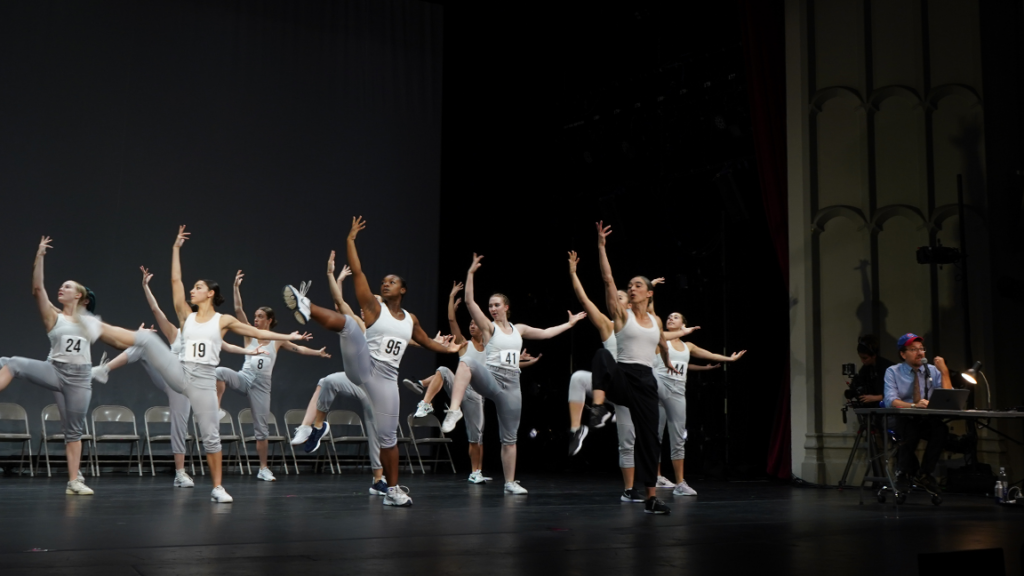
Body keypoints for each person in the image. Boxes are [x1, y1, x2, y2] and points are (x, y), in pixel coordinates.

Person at [80, 226, 311, 503]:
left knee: (210, 437)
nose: (192, 290)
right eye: (194, 287)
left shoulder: (222, 320)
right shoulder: (184, 317)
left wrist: (288, 335)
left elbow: (257, 333)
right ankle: (94, 327)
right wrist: (176, 248)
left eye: (198, 287)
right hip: (180, 372)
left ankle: (217, 487)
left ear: (211, 293)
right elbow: (175, 281)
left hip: (203, 380)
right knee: (146, 339)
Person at [283, 217, 463, 507]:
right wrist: (350, 240)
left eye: (392, 282)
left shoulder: (410, 320)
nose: (386, 284)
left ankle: (391, 490)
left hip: (385, 382)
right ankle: (307, 306)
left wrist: (449, 350)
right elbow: (358, 272)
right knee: (350, 327)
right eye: (384, 282)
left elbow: (427, 341)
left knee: (388, 438)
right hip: (364, 366)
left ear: (403, 290)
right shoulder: (372, 306)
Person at [92, 266, 266, 488]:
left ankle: (180, 472)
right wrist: (146, 287)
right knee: (143, 344)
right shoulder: (176, 332)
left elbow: (228, 346)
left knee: (180, 424)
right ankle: (104, 369)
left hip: (187, 383)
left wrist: (249, 351)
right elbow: (157, 311)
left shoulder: (207, 333)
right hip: (169, 376)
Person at [440, 253, 586, 495]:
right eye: (490, 306)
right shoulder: (488, 327)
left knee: (509, 437)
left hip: (512, 386)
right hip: (492, 379)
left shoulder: (519, 329)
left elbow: (547, 333)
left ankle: (510, 482)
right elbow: (469, 303)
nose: (493, 309)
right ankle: (454, 410)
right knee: (466, 363)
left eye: (497, 305)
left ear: (506, 307)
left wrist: (569, 324)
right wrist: (471, 273)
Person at [403, 281, 541, 484]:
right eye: (470, 324)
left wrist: (524, 361)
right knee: (443, 370)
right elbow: (451, 319)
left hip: (478, 394)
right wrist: (450, 299)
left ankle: (475, 471)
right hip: (461, 388)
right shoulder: (463, 344)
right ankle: (425, 401)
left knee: (476, 436)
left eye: (475, 323)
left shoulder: (491, 345)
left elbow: (509, 364)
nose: (473, 325)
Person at [586, 221, 678, 514]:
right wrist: (601, 247)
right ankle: (598, 408)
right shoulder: (621, 315)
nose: (632, 288)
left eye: (638, 285)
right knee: (602, 356)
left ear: (650, 293)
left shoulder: (656, 321)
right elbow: (607, 278)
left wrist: (668, 363)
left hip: (646, 381)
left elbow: (662, 344)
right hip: (622, 377)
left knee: (650, 439)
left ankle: (650, 498)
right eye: (631, 286)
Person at [0, 237, 97, 495]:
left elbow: (116, 336)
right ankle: (75, 478)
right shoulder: (53, 316)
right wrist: (39, 256)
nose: (60, 288)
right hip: (55, 370)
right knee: (14, 363)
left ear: (79, 295)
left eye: (67, 287)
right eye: (61, 286)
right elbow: (38, 289)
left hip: (80, 378)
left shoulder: (89, 323)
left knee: (73, 430)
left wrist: (138, 335)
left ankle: (74, 481)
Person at [215, 270, 332, 482]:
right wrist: (235, 287)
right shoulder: (249, 333)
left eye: (260, 317)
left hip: (262, 387)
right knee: (220, 372)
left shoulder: (276, 340)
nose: (256, 319)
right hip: (244, 378)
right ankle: (216, 409)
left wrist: (317, 352)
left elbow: (299, 349)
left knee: (262, 430)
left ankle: (263, 468)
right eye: (255, 317)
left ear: (269, 320)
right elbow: (238, 309)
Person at [654, 311, 745, 497]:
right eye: (669, 316)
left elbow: (706, 355)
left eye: (675, 317)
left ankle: (680, 482)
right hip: (658, 391)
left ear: (683, 323)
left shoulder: (688, 346)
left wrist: (729, 359)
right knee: (656, 436)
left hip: (677, 392)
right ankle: (656, 476)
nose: (670, 318)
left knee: (678, 437)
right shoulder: (660, 338)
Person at [882, 333, 952, 493]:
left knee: (940, 429)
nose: (920, 353)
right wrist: (913, 405)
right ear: (903, 353)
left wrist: (944, 372)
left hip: (924, 418)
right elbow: (890, 401)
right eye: (913, 349)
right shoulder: (893, 371)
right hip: (900, 418)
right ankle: (902, 473)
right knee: (910, 430)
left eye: (922, 349)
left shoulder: (933, 371)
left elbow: (949, 398)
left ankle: (924, 474)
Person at [848, 334, 892, 406]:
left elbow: (900, 393)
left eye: (865, 358)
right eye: (861, 358)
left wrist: (876, 398)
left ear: (874, 355)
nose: (862, 361)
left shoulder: (889, 368)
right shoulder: (864, 370)